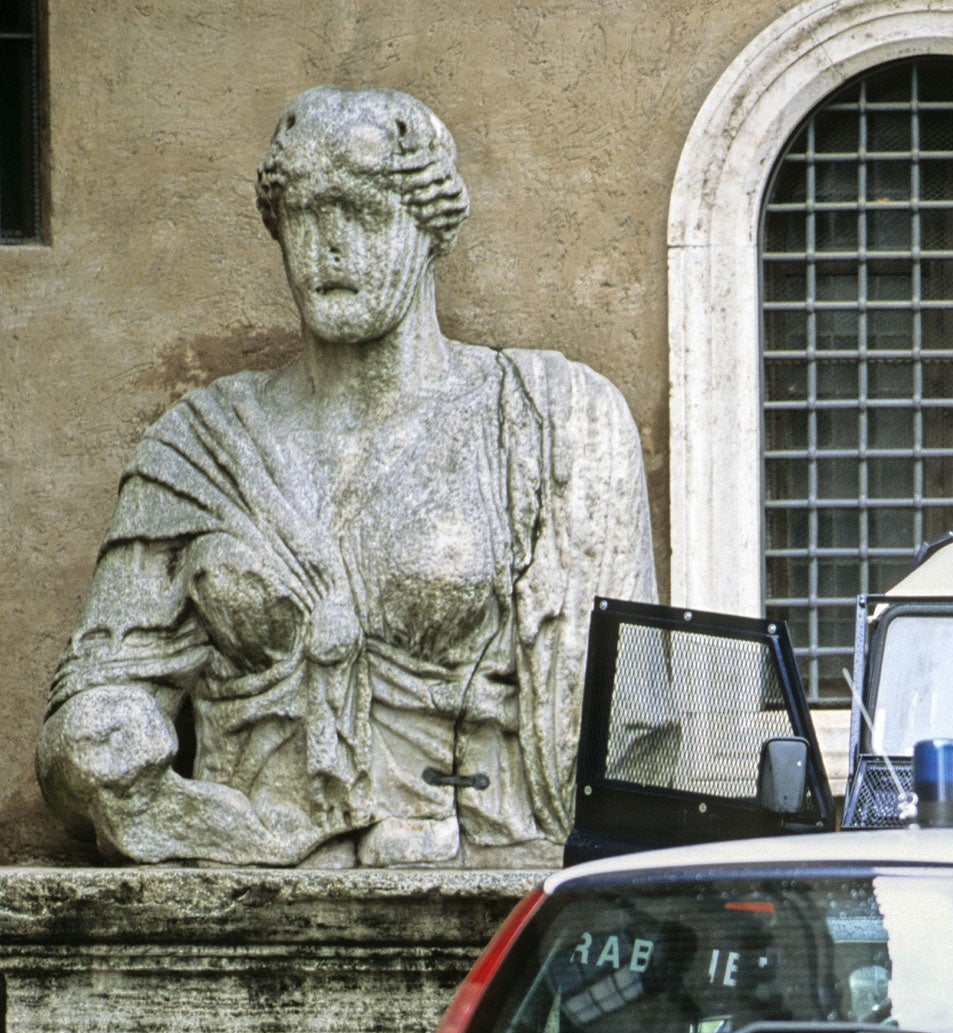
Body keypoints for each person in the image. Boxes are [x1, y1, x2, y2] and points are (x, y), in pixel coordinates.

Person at [37, 87, 657, 868]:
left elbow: (634, 728)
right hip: (250, 873)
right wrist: (105, 735)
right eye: (302, 216)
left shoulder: (552, 421)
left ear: (429, 228)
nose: (328, 247)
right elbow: (91, 696)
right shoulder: (197, 449)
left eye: (361, 214)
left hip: (483, 866)